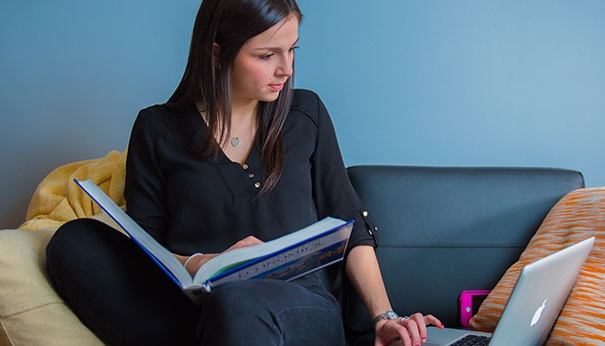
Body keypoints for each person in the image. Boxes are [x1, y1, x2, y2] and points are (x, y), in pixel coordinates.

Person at [46, 0, 443, 345]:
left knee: (238, 303)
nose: (285, 69)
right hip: (194, 306)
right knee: (73, 242)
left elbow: (350, 225)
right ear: (217, 53)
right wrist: (202, 262)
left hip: (299, 307)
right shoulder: (156, 129)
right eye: (267, 55)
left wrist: (385, 317)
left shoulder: (306, 114)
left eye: (292, 50)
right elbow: (149, 250)